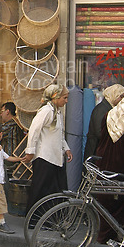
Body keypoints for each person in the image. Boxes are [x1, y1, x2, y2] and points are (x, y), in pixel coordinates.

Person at [22, 83, 73, 213]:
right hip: (44, 157)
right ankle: (34, 220)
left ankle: (50, 219)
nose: (66, 101)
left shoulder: (57, 112)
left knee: (54, 190)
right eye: (64, 98)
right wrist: (30, 152)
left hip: (55, 157)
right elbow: (34, 131)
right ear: (55, 97)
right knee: (40, 190)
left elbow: (59, 134)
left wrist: (66, 148)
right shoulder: (45, 111)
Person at [94, 94, 124, 244]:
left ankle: (106, 234)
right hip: (121, 165)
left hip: (105, 163)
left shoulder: (109, 115)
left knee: (106, 200)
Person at [83, 84, 124, 162]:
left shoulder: (112, 109)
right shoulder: (101, 109)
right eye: (121, 96)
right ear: (114, 95)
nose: (122, 100)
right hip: (96, 152)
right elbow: (99, 132)